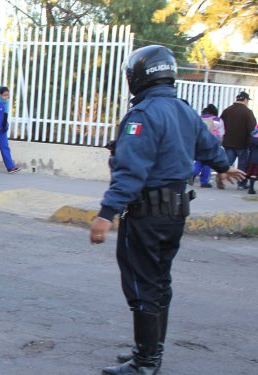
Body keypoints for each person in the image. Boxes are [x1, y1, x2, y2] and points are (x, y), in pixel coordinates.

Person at [89, 45, 245, 375]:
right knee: (159, 281)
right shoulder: (184, 110)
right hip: (174, 212)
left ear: (138, 76)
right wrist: (222, 166)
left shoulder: (143, 115)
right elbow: (208, 145)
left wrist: (106, 213)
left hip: (145, 213)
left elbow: (131, 171)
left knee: (141, 283)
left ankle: (145, 363)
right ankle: (148, 352)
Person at [220, 91, 256, 190]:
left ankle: (221, 179)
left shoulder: (227, 110)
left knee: (226, 163)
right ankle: (241, 184)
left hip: (228, 142)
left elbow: (221, 124)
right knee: (242, 165)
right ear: (245, 100)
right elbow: (252, 129)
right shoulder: (248, 112)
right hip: (242, 143)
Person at [193, 104, 224, 188]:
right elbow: (221, 134)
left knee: (199, 160)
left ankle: (192, 174)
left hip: (199, 142)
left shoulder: (199, 118)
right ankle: (204, 181)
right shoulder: (218, 120)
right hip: (211, 143)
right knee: (208, 162)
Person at [247, 125, 258, 194]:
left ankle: (251, 188)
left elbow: (250, 147)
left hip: (253, 158)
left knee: (253, 173)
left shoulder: (253, 135)